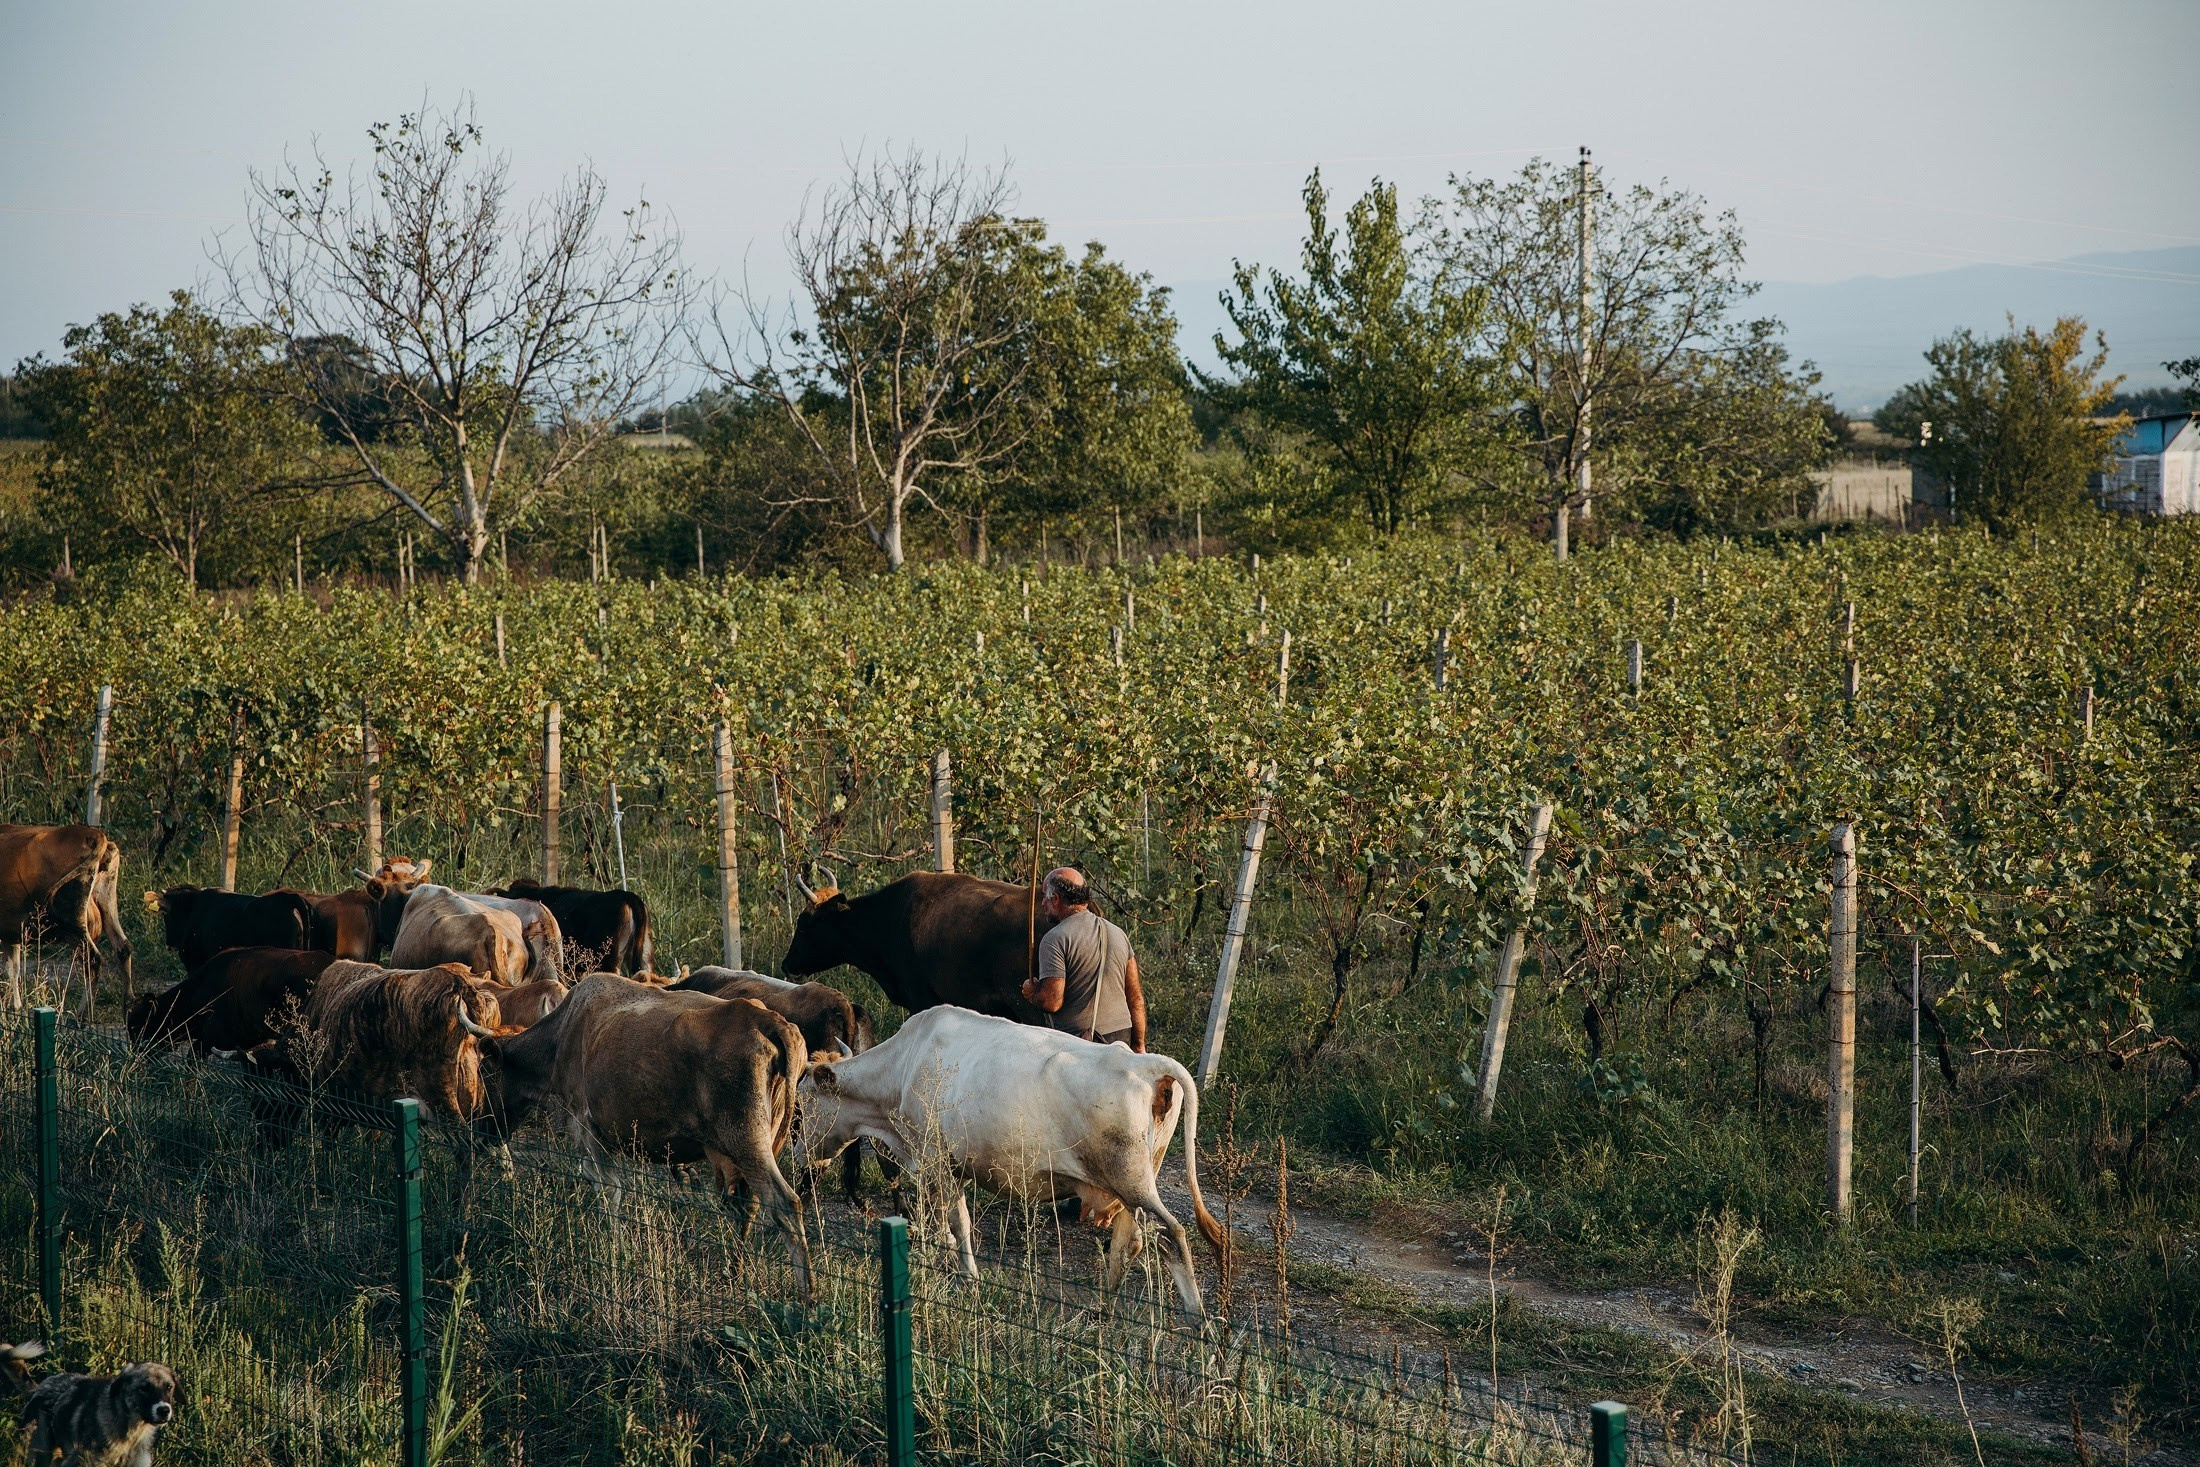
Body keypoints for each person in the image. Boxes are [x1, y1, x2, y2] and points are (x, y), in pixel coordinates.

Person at [1020, 866, 1146, 1051]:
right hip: (1121, 1038)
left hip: (1082, 1044)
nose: (1042, 905)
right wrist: (1139, 1045)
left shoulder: (1055, 939)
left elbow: (1052, 1001)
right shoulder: (1118, 933)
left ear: (1055, 899)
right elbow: (1135, 998)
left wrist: (1033, 994)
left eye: (1044, 898)